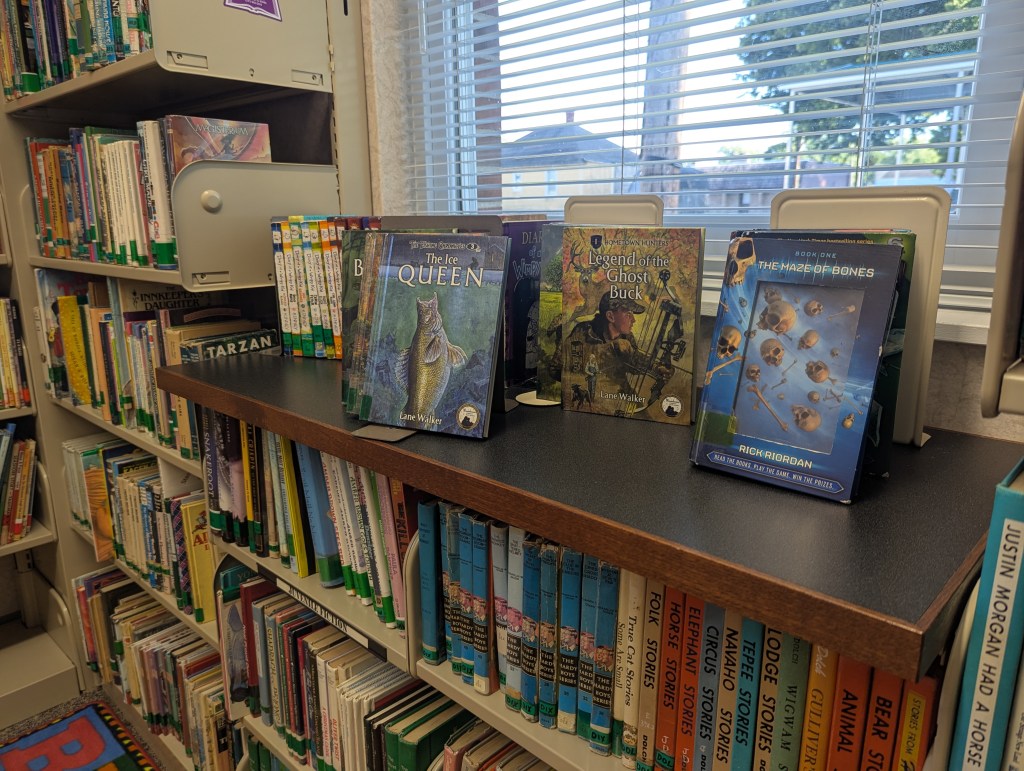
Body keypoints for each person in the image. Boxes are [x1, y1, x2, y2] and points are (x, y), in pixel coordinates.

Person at [562, 290, 663, 401]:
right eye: (628, 315)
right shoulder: (583, 332)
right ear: (610, 316)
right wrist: (610, 349)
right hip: (591, 389)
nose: (633, 320)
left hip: (618, 392)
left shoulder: (627, 337)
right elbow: (560, 367)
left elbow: (633, 360)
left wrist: (655, 367)